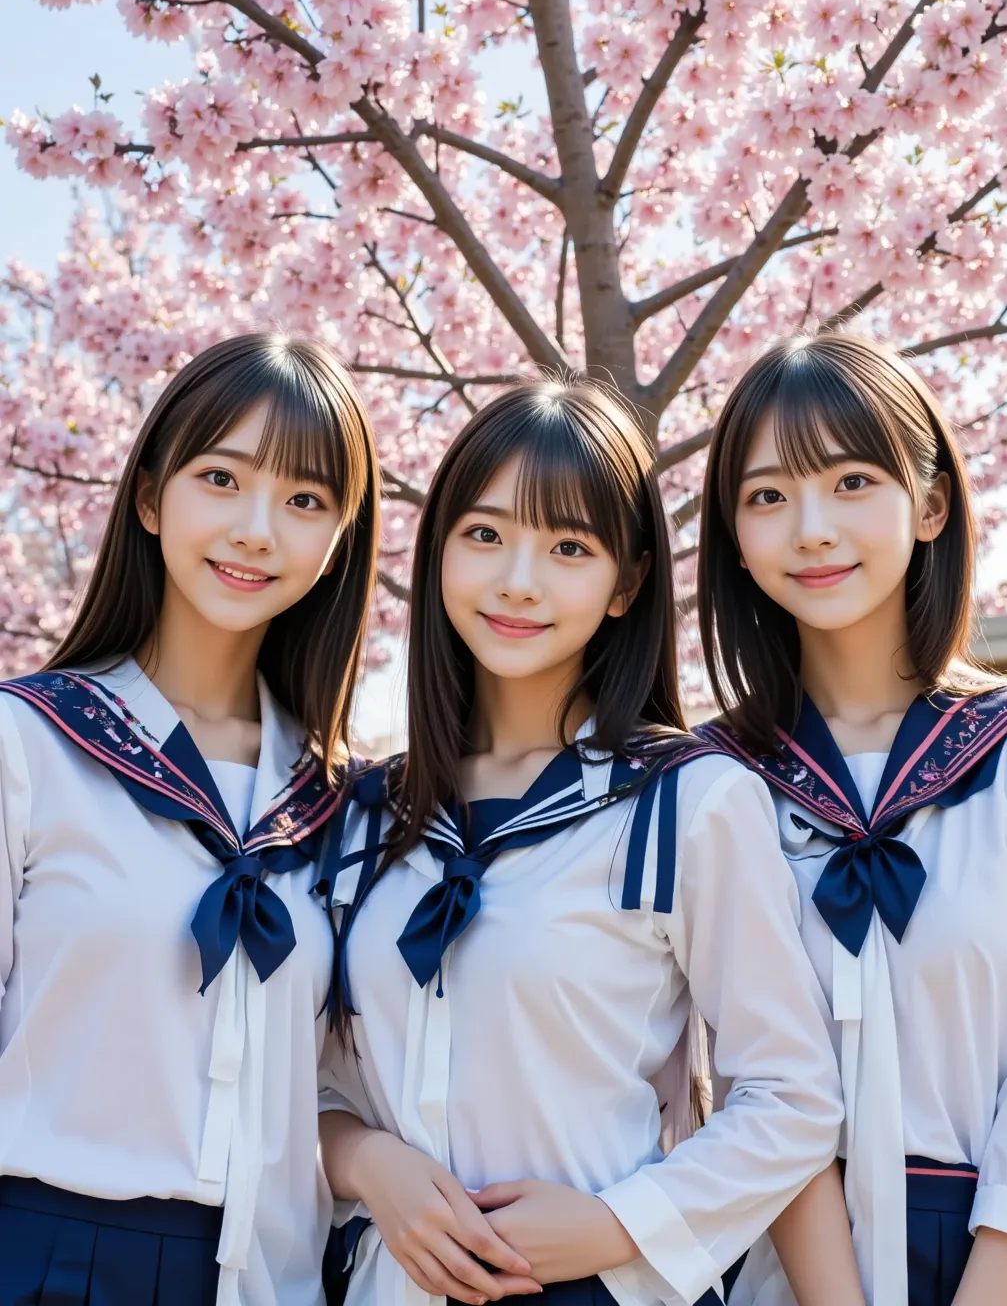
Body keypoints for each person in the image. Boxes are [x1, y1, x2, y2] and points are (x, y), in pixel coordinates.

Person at [317, 378, 844, 1306]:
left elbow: (793, 1097)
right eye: (483, 535)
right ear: (437, 551)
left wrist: (617, 1223)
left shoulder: (690, 802)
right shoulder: (363, 813)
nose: (518, 580)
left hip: (604, 1288)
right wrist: (368, 1164)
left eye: (567, 548)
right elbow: (308, 1085)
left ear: (626, 584)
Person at [0, 333, 380, 1306]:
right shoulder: (30, 746)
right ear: (150, 496)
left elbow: (341, 1087)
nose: (258, 529)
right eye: (222, 477)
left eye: (305, 501)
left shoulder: (344, 804)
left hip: (269, 1278)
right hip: (46, 1255)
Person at [696, 332, 1007, 1306]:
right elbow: (754, 1074)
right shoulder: (711, 787)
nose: (808, 529)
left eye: (848, 481)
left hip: (995, 1250)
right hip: (780, 1264)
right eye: (766, 497)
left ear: (927, 506)